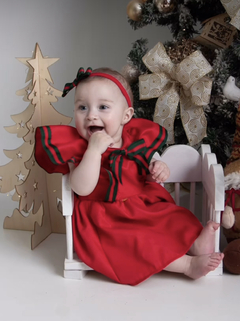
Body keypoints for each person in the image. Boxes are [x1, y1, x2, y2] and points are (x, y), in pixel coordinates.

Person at [35, 67, 224, 285]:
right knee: (139, 242)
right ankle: (187, 265)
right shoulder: (80, 149)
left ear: (126, 116)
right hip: (105, 219)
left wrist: (158, 168)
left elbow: (146, 167)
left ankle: (196, 243)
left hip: (141, 205)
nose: (91, 115)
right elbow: (81, 188)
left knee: (175, 217)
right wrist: (93, 152)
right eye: (82, 107)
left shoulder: (136, 140)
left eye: (103, 107)